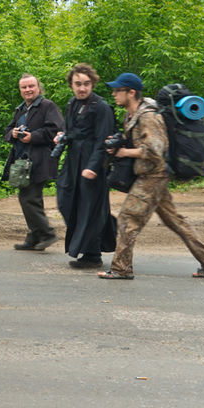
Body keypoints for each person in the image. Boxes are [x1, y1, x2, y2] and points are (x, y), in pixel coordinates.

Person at [97, 73, 204, 280]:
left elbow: (156, 149)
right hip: (152, 175)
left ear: (131, 92)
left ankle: (121, 269)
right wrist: (119, 144)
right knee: (174, 220)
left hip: (153, 176)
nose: (113, 93)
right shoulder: (131, 114)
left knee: (128, 220)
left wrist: (125, 153)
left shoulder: (148, 116)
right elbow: (137, 143)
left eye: (118, 90)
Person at [54, 63, 117, 269]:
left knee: (90, 208)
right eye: (78, 84)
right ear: (71, 85)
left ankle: (92, 254)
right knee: (66, 201)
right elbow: (70, 128)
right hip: (73, 162)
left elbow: (103, 139)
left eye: (86, 84)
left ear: (93, 84)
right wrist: (61, 135)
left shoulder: (102, 107)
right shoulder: (72, 103)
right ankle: (94, 243)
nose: (82, 88)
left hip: (92, 165)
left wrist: (93, 167)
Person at [1, 74, 63, 251]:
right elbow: (7, 130)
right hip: (22, 163)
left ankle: (47, 233)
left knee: (29, 199)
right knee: (28, 198)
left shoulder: (47, 106)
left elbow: (57, 130)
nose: (28, 90)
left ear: (38, 87)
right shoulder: (21, 109)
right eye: (24, 87)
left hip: (39, 161)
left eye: (31, 86)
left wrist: (33, 137)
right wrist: (12, 133)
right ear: (20, 90)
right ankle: (34, 237)